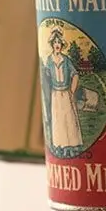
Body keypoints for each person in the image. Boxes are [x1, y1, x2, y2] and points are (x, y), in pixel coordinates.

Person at [39, 26, 83, 158]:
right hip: (55, 94)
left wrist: (72, 90)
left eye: (59, 43)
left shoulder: (66, 60)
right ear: (52, 44)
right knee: (58, 120)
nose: (57, 45)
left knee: (69, 118)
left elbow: (75, 74)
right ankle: (60, 146)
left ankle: (72, 145)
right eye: (55, 43)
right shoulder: (49, 61)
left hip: (66, 93)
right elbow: (46, 76)